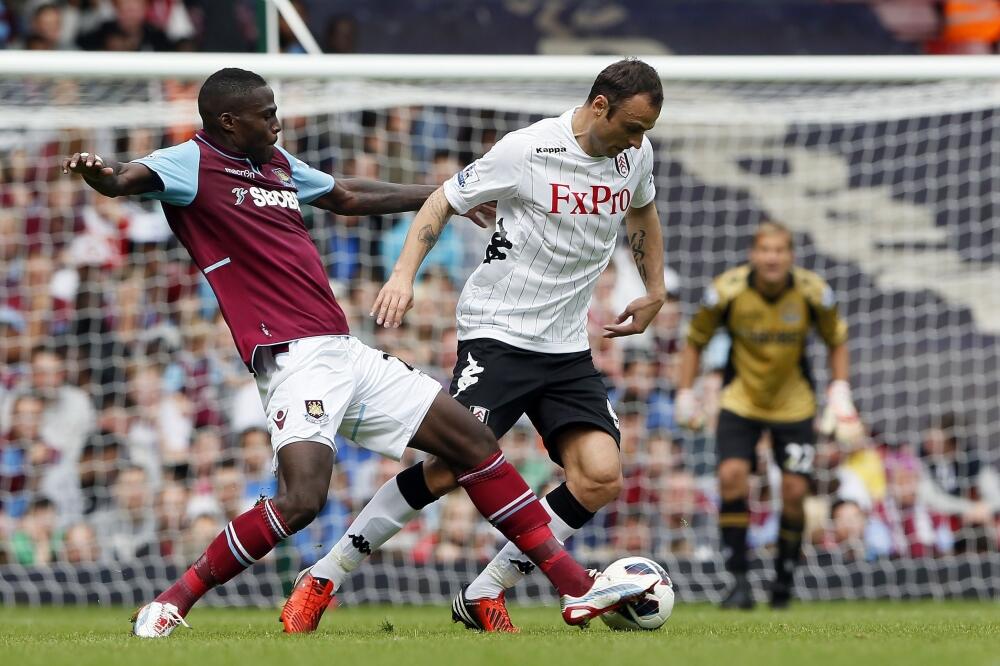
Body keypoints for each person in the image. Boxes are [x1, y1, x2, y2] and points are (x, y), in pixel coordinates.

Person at [63, 67, 657, 638]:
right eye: (266, 115)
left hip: (343, 348)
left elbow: (345, 195)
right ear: (225, 121)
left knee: (472, 444)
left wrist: (446, 194)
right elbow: (127, 178)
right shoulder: (192, 161)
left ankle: (575, 587)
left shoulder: (272, 164)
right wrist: (102, 175)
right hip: (290, 356)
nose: (277, 124)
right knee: (301, 502)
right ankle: (171, 602)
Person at [282, 58, 667, 633]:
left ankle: (486, 590)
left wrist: (655, 287)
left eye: (646, 132)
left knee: (601, 476)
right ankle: (324, 576)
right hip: (498, 334)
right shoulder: (528, 150)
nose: (638, 141)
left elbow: (643, 211)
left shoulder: (634, 156)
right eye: (632, 126)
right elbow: (441, 201)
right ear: (599, 107)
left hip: (565, 345)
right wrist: (402, 276)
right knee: (449, 468)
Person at [676, 221, 863, 609]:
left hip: (794, 406)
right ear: (753, 254)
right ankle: (739, 580)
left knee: (794, 493)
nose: (772, 257)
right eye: (765, 249)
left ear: (790, 256)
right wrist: (684, 393)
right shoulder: (726, 292)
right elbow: (695, 341)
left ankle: (783, 581)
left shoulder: (813, 294)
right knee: (731, 478)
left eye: (780, 250)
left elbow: (837, 340)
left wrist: (840, 390)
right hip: (740, 401)